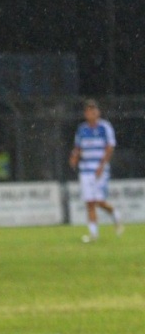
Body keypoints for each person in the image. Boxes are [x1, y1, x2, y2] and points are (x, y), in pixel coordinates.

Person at [71, 98, 121, 242]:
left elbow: (109, 147)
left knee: (99, 201)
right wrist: (74, 157)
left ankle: (115, 214)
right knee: (90, 202)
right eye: (88, 111)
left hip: (99, 169)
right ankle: (93, 234)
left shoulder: (105, 127)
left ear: (97, 112)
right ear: (86, 114)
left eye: (94, 111)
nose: (91, 113)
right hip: (86, 169)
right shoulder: (82, 129)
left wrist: (102, 166)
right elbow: (78, 147)